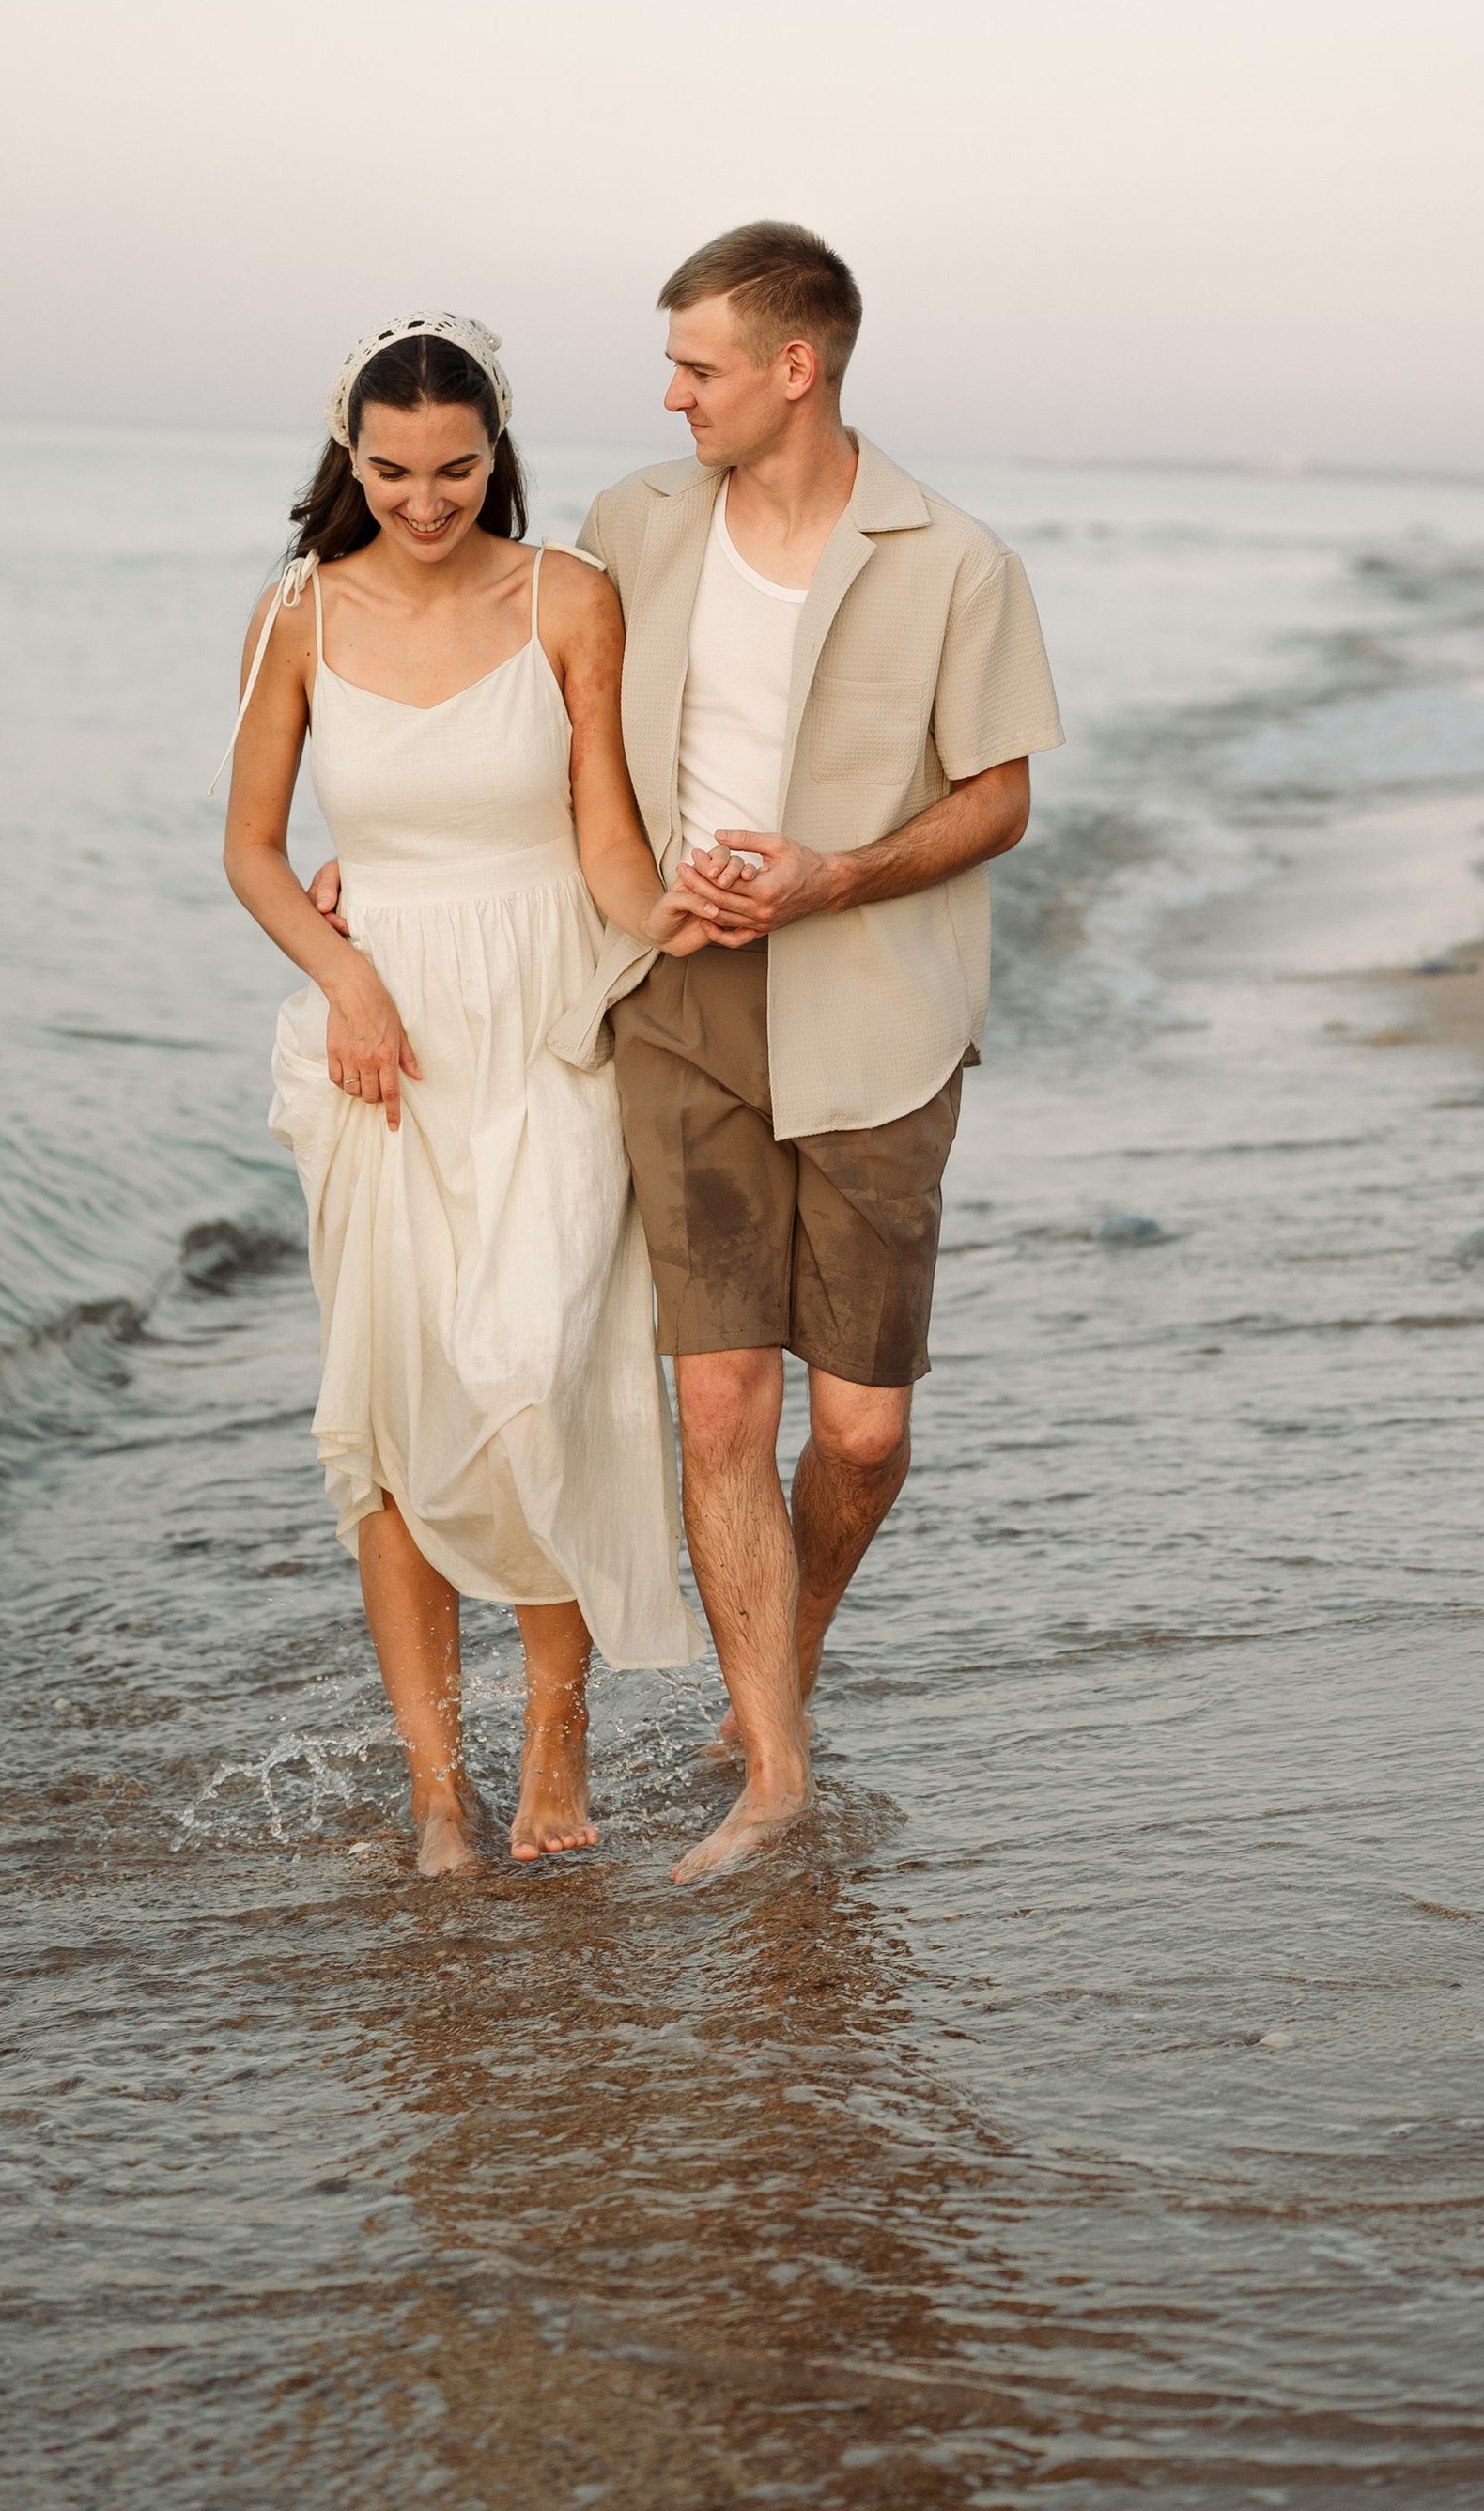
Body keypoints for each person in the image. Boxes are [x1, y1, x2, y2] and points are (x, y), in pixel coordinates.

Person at [554, 222, 1064, 1883]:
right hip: (681, 999)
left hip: (880, 1015)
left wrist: (833, 875)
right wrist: (376, 865)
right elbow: (545, 728)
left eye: (698, 364)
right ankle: (772, 1771)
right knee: (721, 1405)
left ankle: (790, 1646)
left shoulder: (951, 557)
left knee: (857, 1435)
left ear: (797, 368)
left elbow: (1002, 795)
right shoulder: (630, 526)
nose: (671, 392)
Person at [219, 315, 709, 1880]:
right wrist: (350, 980)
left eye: (453, 468)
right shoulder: (297, 612)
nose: (423, 501)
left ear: (495, 451)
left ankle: (553, 1750)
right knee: (388, 1412)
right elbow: (249, 850)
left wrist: (692, 916)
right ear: (344, 458)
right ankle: (440, 1792)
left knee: (538, 1375)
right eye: (389, 470)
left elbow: (611, 841)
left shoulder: (569, 597)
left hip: (545, 1025)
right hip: (381, 1048)